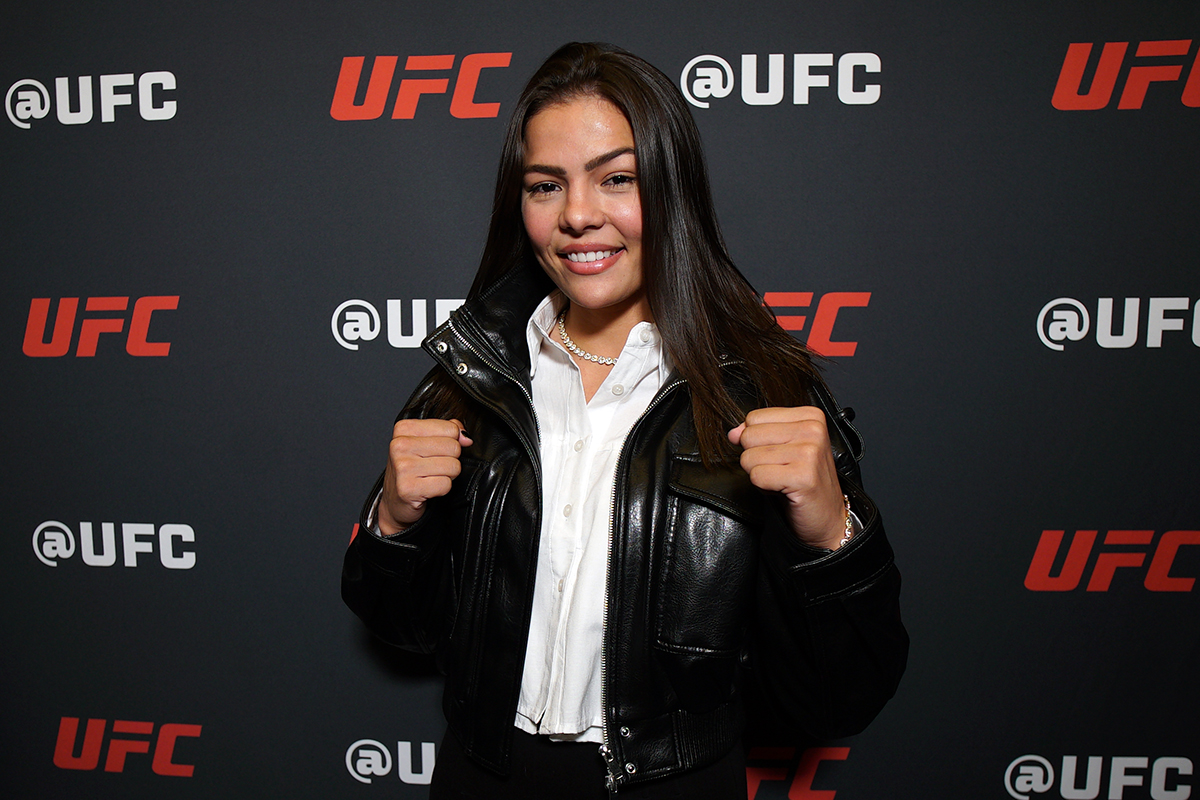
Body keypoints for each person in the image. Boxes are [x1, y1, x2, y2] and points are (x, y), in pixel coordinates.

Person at [342, 42, 907, 799]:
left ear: (673, 192)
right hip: (482, 777)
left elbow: (838, 700)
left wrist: (832, 534)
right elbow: (405, 629)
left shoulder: (766, 395)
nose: (578, 215)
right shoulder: (470, 381)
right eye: (546, 186)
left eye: (617, 179)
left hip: (676, 783)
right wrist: (395, 521)